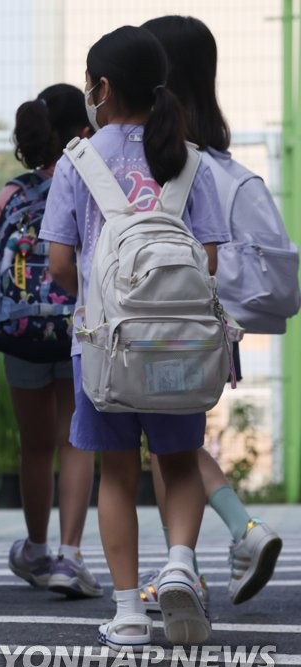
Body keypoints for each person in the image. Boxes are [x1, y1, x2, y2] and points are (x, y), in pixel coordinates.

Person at [42, 26, 229, 649]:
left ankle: (126, 613)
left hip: (103, 346)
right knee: (177, 465)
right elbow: (206, 262)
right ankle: (179, 563)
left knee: (116, 473)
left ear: (101, 88)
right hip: (177, 344)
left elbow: (61, 264)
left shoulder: (78, 160)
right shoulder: (191, 159)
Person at [140, 13, 282, 608]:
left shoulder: (156, 169)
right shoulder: (231, 175)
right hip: (211, 338)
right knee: (175, 442)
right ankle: (197, 560)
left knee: (164, 444)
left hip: (152, 328)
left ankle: (210, 551)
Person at [0, 84, 101, 599]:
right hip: (78, 327)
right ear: (80, 129)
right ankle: (70, 557)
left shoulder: (10, 195)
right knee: (75, 440)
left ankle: (35, 547)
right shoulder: (89, 187)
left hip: (20, 334)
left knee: (34, 446)